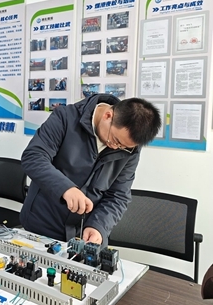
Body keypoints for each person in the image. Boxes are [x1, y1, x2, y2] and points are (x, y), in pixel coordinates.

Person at [20, 94, 161, 247]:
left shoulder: (129, 149)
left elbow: (118, 195)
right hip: (42, 225)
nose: (116, 148)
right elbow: (34, 157)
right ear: (108, 115)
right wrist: (65, 188)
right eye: (115, 140)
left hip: (85, 235)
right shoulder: (66, 117)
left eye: (123, 147)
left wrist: (98, 226)